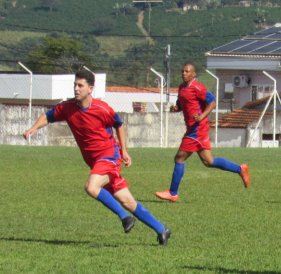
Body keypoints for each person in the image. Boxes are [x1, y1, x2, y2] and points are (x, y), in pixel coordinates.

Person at [24, 69, 171, 245]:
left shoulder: (102, 109)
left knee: (91, 187)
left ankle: (125, 218)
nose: (76, 89)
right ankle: (162, 230)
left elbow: (119, 125)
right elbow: (48, 116)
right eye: (75, 85)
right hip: (95, 162)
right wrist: (34, 128)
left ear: (90, 88)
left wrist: (124, 151)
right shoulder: (67, 108)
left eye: (80, 85)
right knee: (127, 200)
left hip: (109, 156)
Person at [154, 63, 249, 202]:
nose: (184, 73)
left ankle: (173, 193)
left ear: (193, 74)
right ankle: (240, 169)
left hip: (197, 129)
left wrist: (202, 116)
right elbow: (183, 104)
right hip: (194, 128)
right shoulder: (181, 88)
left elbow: (212, 102)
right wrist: (176, 108)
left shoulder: (198, 87)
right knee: (208, 161)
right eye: (182, 71)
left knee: (179, 158)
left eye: (187, 71)